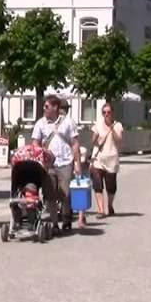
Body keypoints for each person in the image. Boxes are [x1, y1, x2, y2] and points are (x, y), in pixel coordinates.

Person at [31, 95, 82, 228]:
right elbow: (35, 142)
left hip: (65, 162)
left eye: (47, 106)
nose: (44, 108)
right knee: (50, 194)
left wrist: (77, 164)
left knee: (65, 193)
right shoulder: (40, 123)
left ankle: (66, 219)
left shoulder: (68, 122)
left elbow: (75, 143)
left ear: (55, 108)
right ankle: (54, 223)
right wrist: (38, 154)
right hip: (48, 165)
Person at [90, 103, 124, 217]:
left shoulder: (118, 125)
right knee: (97, 184)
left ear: (112, 113)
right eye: (104, 112)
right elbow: (93, 140)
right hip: (98, 159)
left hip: (111, 160)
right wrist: (95, 138)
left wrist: (111, 128)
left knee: (111, 187)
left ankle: (110, 205)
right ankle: (100, 209)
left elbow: (119, 140)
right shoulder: (98, 124)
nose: (106, 114)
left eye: (108, 112)